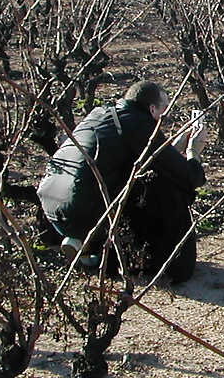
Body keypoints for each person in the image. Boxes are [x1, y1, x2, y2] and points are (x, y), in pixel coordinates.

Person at [37, 80, 208, 283]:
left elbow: (139, 161)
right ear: (152, 108)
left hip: (54, 207)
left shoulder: (101, 114)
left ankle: (87, 243)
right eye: (164, 109)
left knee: (137, 177)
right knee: (166, 187)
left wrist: (173, 147)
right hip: (87, 211)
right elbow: (189, 177)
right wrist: (193, 151)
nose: (165, 116)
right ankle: (152, 260)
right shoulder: (139, 123)